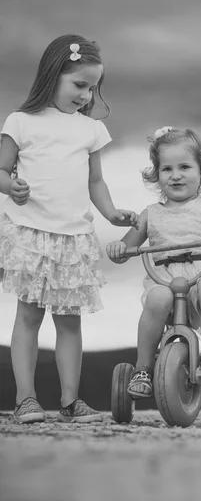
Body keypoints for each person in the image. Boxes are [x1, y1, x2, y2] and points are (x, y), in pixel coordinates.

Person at [0, 34, 139, 424]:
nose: (85, 95)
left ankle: (70, 400)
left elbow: (95, 182)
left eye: (92, 88)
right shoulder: (21, 122)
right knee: (28, 316)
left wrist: (111, 213)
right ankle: (25, 398)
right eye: (79, 85)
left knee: (69, 321)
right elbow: (1, 169)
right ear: (53, 74)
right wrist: (11, 185)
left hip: (73, 236)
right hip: (30, 232)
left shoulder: (89, 130)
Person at [106, 126, 201, 399]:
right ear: (157, 174)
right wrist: (118, 248)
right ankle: (143, 368)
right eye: (167, 169)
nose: (176, 175)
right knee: (156, 299)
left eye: (185, 167)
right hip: (164, 279)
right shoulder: (150, 214)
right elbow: (127, 248)